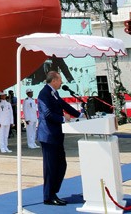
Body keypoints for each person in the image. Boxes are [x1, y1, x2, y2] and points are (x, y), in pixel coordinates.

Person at [37, 70, 82, 206]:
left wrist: (79, 115)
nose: (62, 82)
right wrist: (64, 118)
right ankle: (49, 197)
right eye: (60, 79)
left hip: (56, 135)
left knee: (61, 164)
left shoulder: (54, 92)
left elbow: (63, 105)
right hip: (48, 136)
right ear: (54, 80)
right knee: (51, 167)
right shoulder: (44, 94)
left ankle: (53, 192)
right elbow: (48, 114)